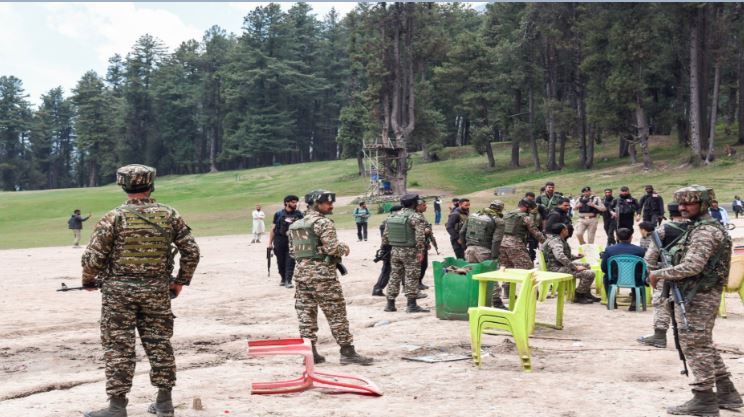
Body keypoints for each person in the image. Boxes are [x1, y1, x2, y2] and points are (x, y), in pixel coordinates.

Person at [81, 164, 200, 417]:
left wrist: (89, 280)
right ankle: (164, 403)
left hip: (118, 294)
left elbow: (94, 258)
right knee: (159, 343)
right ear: (151, 184)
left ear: (123, 185)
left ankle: (116, 407)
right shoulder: (169, 215)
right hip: (156, 291)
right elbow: (191, 252)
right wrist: (180, 282)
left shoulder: (114, 217)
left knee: (118, 347)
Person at [648, 185, 741, 415]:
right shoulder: (700, 227)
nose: (683, 207)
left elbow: (693, 266)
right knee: (703, 343)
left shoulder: (705, 231)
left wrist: (659, 274)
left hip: (698, 296)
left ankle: (704, 398)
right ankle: (727, 391)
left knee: (694, 345)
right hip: (697, 293)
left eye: (689, 203)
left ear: (704, 204)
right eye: (681, 203)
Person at [288, 190, 373, 365]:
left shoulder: (295, 225)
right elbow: (333, 248)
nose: (331, 205)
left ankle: (310, 354)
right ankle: (347, 352)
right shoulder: (323, 223)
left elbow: (292, 252)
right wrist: (344, 248)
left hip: (301, 276)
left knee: (306, 314)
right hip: (323, 277)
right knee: (336, 313)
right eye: (327, 203)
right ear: (317, 204)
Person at [638, 202, 690, 349]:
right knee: (688, 304)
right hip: (691, 274)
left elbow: (650, 258)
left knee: (662, 303)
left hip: (665, 273)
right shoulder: (696, 228)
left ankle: (659, 336)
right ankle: (688, 337)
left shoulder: (663, 230)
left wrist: (654, 273)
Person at [382, 193, 429, 313]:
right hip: (410, 251)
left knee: (394, 276)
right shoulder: (416, 217)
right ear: (415, 203)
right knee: (411, 276)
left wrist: (386, 248)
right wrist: (420, 251)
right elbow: (420, 236)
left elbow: (385, 235)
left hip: (395, 250)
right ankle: (411, 305)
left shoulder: (393, 215)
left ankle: (390, 304)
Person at [498, 199, 545, 308]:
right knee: (528, 268)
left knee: (507, 267)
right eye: (532, 209)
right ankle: (533, 293)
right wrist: (545, 242)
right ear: (526, 207)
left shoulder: (507, 215)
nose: (532, 211)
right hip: (514, 244)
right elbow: (535, 232)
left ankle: (507, 292)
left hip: (501, 243)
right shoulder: (526, 217)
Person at [542, 223, 598, 304]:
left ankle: (585, 292)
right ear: (563, 231)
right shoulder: (556, 242)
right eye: (566, 229)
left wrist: (576, 257)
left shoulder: (556, 239)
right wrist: (575, 267)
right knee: (590, 274)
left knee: (587, 265)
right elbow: (560, 256)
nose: (568, 231)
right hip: (556, 269)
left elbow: (563, 256)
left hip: (559, 265)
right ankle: (579, 295)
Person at [600, 227, 646, 311]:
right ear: (631, 237)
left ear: (617, 237)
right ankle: (634, 302)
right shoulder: (640, 250)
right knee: (637, 274)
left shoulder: (609, 249)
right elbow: (643, 267)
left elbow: (603, 267)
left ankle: (612, 302)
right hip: (635, 279)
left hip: (615, 278)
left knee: (606, 277)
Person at [268, 195, 304, 288]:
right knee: (280, 261)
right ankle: (283, 278)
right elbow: (273, 229)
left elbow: (303, 228)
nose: (295, 204)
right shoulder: (278, 214)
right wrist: (270, 243)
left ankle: (288, 280)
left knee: (291, 261)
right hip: (279, 240)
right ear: (287, 203)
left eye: (296, 202)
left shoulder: (299, 214)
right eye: (293, 202)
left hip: (293, 240)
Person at [372, 205, 402, 296]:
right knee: (387, 270)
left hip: (394, 248)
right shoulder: (388, 222)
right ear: (395, 212)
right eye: (400, 211)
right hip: (389, 248)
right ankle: (377, 289)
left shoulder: (392, 221)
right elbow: (385, 239)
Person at [416, 199, 434, 293]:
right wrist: (425, 231)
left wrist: (427, 243)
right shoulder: (415, 216)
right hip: (418, 245)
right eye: (423, 205)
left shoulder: (421, 215)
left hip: (423, 243)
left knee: (424, 264)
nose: (426, 206)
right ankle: (415, 284)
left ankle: (419, 282)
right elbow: (415, 231)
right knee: (419, 265)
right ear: (418, 206)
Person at [524, 192, 541, 261]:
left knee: (533, 249)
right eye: (528, 199)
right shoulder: (522, 207)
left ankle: (532, 260)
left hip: (534, 232)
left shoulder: (536, 208)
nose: (529, 201)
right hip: (524, 232)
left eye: (531, 200)